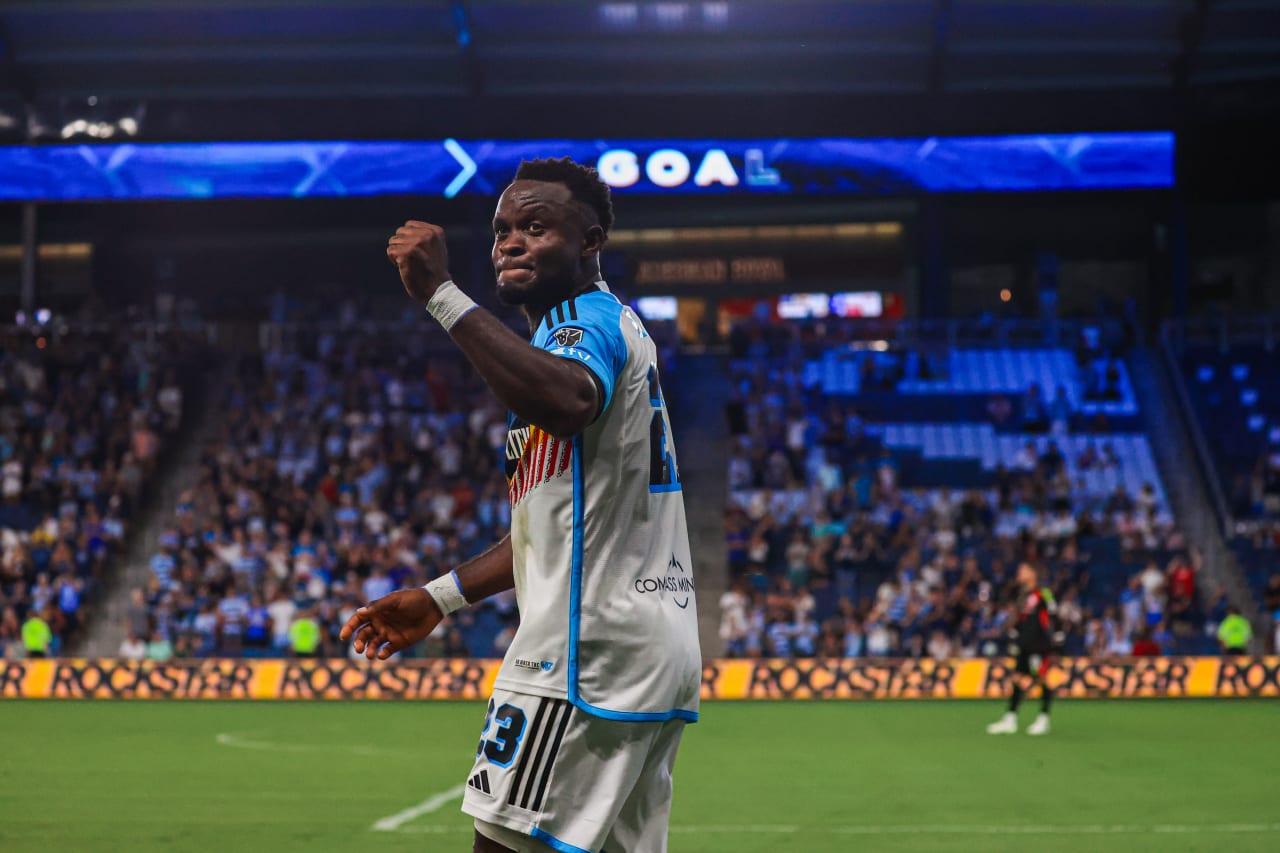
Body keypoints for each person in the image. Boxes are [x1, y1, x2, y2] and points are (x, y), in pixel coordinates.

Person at [340, 158, 701, 853]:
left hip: (584, 652)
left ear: (590, 241)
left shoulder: (583, 319)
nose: (510, 241)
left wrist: (442, 295)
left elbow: (566, 401)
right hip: (639, 642)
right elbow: (551, 529)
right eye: (504, 229)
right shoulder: (584, 333)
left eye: (536, 227)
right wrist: (440, 597)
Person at [987, 563, 1060, 736]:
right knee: (1017, 678)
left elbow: (1053, 616)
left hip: (1039, 645)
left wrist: (1057, 640)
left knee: (1041, 679)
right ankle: (1010, 719)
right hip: (1024, 644)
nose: (1019, 573)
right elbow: (1021, 619)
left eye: (1023, 570)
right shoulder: (1023, 595)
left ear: (1033, 573)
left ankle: (1043, 718)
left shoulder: (1043, 593)